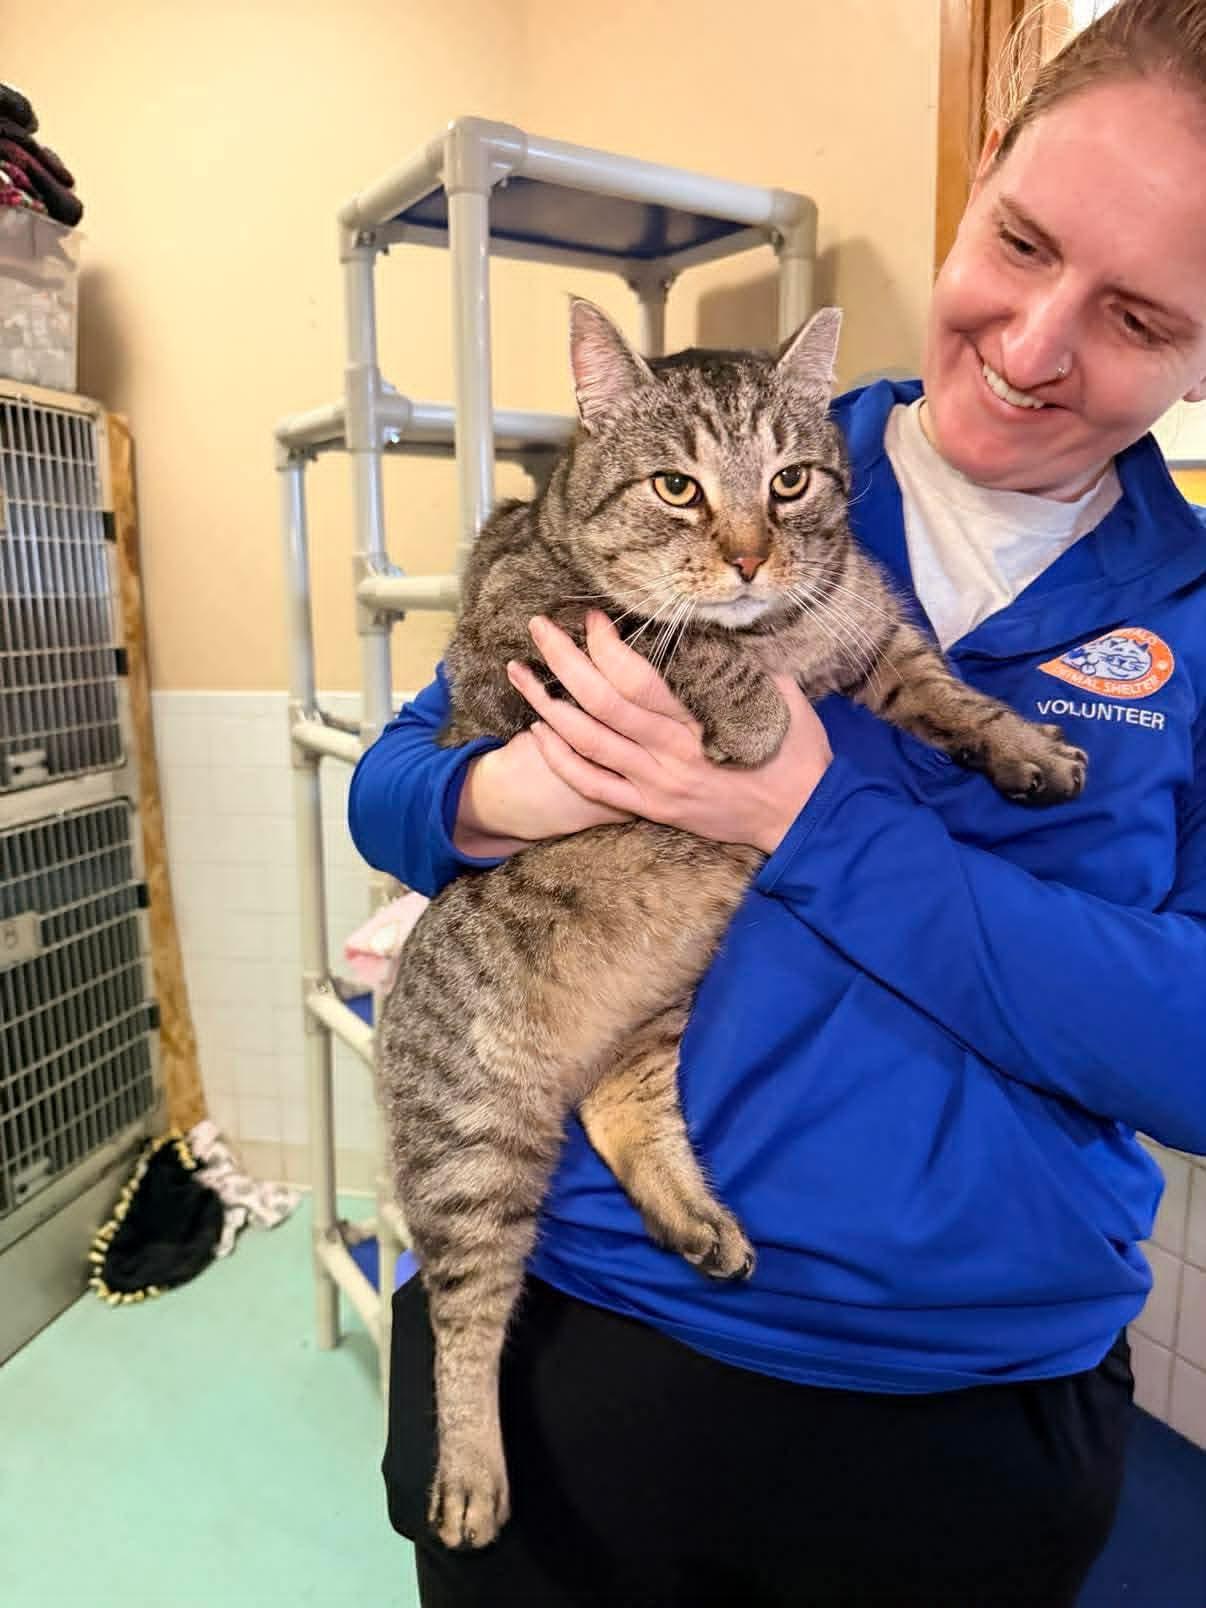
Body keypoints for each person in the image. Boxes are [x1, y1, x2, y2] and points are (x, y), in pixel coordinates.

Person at [349, 2, 1206, 1602]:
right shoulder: (758, 442)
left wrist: (809, 821)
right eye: (1018, 242)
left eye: (1140, 316)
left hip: (966, 1400)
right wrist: (503, 792)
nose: (1031, 347)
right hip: (576, 1315)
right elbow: (398, 790)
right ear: (976, 174)